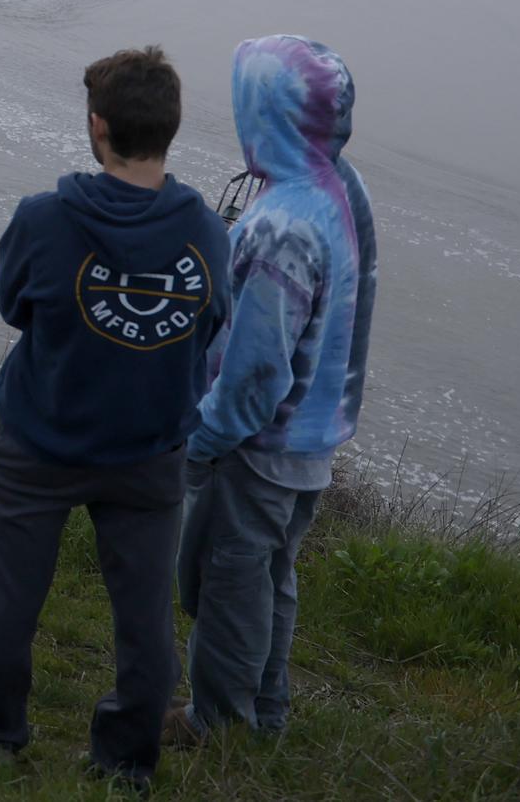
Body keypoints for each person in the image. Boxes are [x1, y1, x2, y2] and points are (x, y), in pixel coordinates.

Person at [0, 47, 231, 788]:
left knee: (9, 604)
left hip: (38, 441)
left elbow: (14, 306)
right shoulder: (208, 233)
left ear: (98, 126)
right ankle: (125, 762)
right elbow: (208, 325)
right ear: (170, 131)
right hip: (148, 454)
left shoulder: (44, 220)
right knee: (145, 622)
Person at [170, 36, 376, 743]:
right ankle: (265, 716)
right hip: (311, 436)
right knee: (269, 578)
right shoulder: (339, 186)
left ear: (268, 113)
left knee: (229, 585)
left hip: (257, 444)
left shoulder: (280, 224)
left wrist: (201, 444)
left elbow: (256, 370)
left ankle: (219, 727)